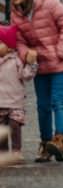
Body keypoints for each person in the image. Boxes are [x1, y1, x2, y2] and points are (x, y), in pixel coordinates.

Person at [6, 0, 63, 163]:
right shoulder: (16, 12)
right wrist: (25, 53)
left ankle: (60, 139)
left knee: (58, 101)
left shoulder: (49, 2)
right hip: (40, 65)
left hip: (60, 64)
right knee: (42, 106)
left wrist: (61, 51)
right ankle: (46, 144)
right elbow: (18, 39)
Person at [0, 25, 37, 163]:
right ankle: (3, 154)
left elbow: (26, 76)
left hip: (15, 102)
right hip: (0, 102)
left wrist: (31, 64)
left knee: (15, 126)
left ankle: (16, 151)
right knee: (2, 130)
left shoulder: (16, 60)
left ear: (9, 46)